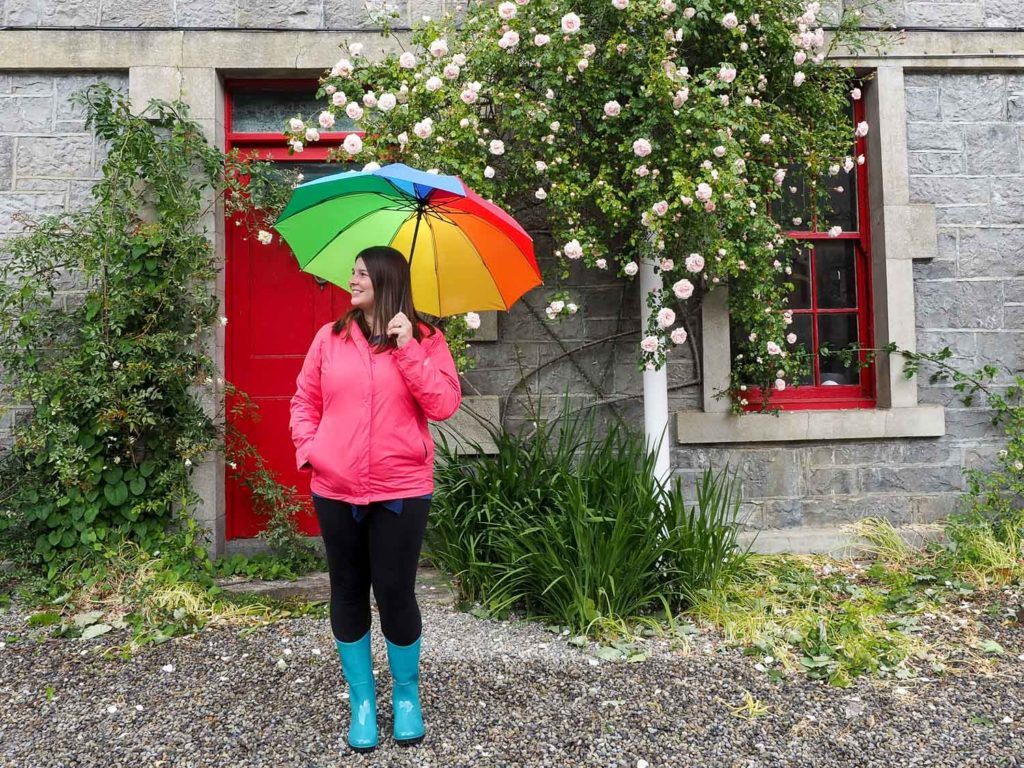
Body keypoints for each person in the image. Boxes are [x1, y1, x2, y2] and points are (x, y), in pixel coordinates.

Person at [289, 245, 462, 753]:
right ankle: (362, 701)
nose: (353, 279)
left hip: (401, 488)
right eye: (353, 271)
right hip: (336, 487)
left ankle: (406, 696)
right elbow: (305, 400)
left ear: (387, 280)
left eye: (363, 273)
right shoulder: (331, 337)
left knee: (395, 592)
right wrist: (312, 450)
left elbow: (444, 404)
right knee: (346, 590)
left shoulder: (427, 340)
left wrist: (408, 348)